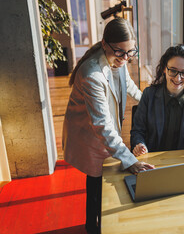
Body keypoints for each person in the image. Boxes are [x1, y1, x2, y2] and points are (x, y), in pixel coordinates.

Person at [62, 18, 154, 234]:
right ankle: (92, 227)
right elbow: (102, 125)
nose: (126, 58)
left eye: (131, 52)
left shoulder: (119, 59)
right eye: (120, 52)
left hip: (102, 131)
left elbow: (129, 86)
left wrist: (150, 106)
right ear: (105, 44)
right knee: (95, 185)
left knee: (103, 184)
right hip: (89, 136)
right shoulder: (91, 74)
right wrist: (130, 160)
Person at [130, 44, 184, 156]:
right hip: (153, 163)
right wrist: (140, 144)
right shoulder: (149, 94)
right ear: (164, 70)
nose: (178, 78)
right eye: (173, 70)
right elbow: (137, 131)